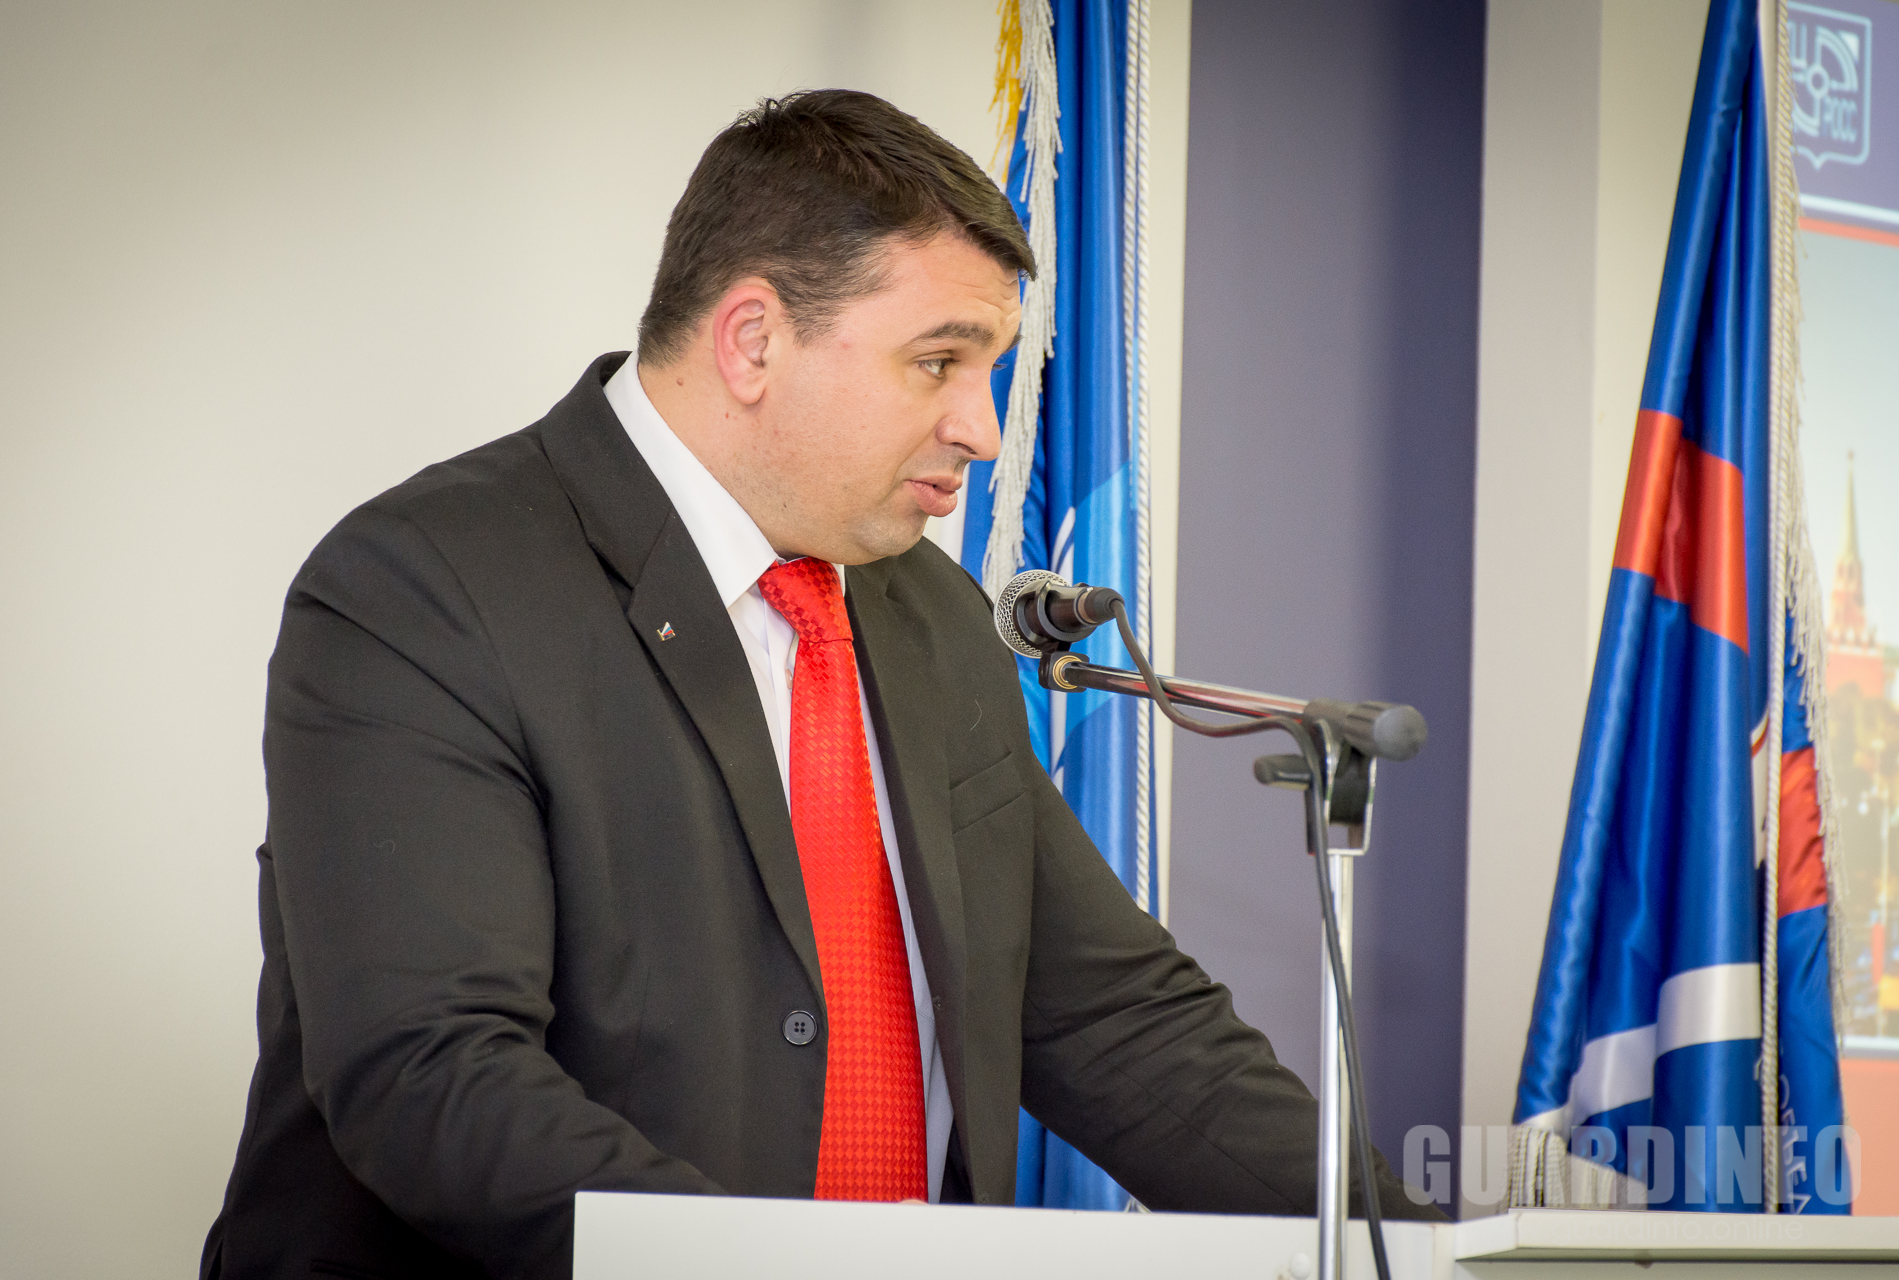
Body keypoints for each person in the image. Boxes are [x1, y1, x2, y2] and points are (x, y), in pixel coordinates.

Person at [202, 89, 1437, 1280]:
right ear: (753, 340)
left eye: (992, 369)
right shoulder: (425, 586)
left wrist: (1424, 1254)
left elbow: (1122, 1025)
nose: (982, 427)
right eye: (938, 361)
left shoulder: (934, 614)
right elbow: (434, 1075)